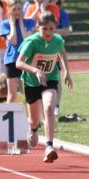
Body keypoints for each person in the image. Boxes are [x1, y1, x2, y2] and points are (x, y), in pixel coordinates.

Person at [17, 12, 73, 163]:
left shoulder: (58, 40)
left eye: (51, 29)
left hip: (50, 79)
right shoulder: (32, 42)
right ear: (38, 28)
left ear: (55, 28)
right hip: (32, 82)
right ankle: (33, 129)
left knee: (49, 107)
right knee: (34, 120)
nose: (48, 32)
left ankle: (49, 146)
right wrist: (35, 71)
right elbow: (19, 63)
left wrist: (67, 72)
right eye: (44, 29)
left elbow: (62, 52)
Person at [0, 0, 28, 101]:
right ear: (9, 10)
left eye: (19, 9)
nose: (17, 12)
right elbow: (13, 40)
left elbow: (26, 40)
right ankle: (9, 111)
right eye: (14, 9)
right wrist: (12, 24)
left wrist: (20, 23)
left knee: (29, 92)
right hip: (11, 60)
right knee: (12, 94)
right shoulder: (5, 24)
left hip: (26, 59)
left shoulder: (28, 22)